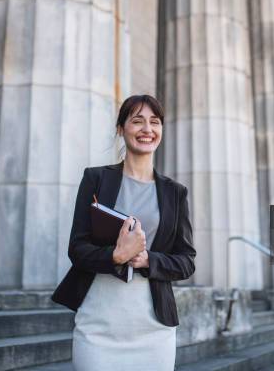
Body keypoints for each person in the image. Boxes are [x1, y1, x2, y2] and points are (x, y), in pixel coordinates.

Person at [51, 94, 196, 370]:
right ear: (121, 128)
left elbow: (186, 261)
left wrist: (148, 260)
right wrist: (116, 256)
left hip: (154, 327)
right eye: (137, 121)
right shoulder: (96, 178)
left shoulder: (175, 193)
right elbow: (77, 249)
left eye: (155, 122)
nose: (147, 129)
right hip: (99, 323)